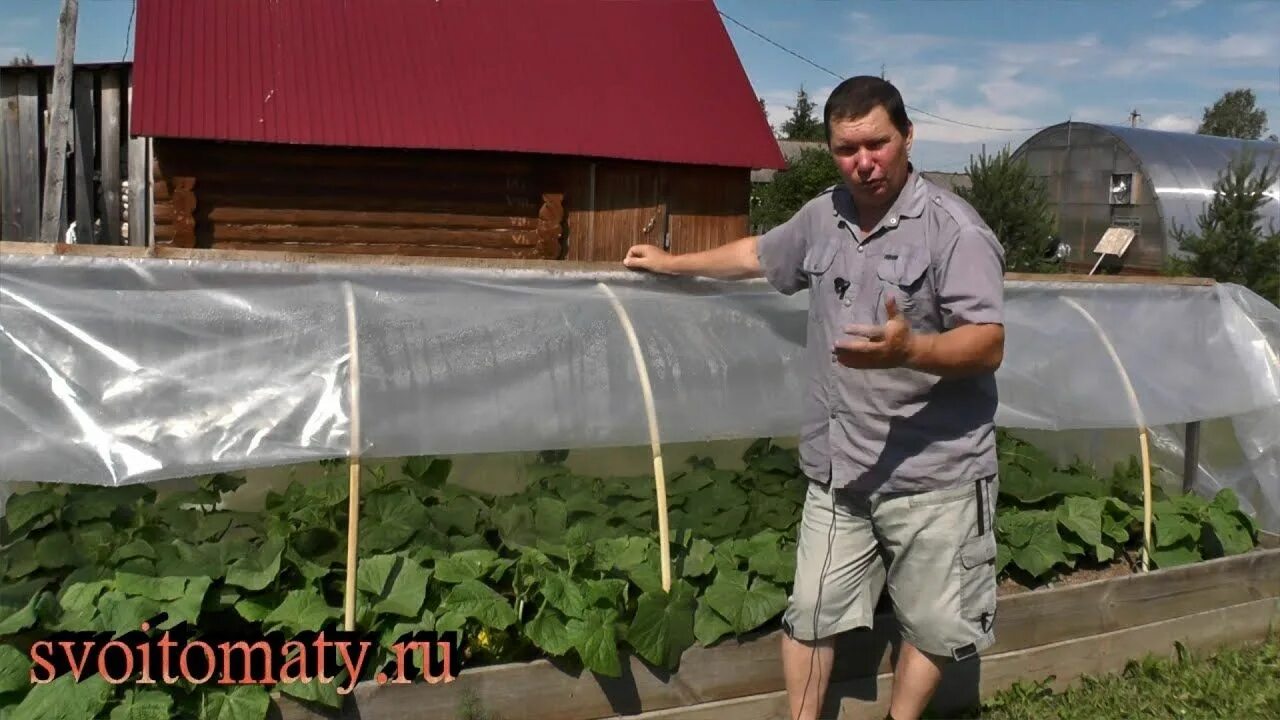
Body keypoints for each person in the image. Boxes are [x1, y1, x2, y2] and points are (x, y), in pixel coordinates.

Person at [623, 76, 1005, 720]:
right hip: (840, 468)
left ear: (908, 137)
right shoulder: (824, 215)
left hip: (934, 473)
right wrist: (670, 263)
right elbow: (757, 253)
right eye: (845, 149)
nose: (863, 162)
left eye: (877, 144)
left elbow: (988, 342)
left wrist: (910, 350)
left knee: (938, 627)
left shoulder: (953, 231)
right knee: (810, 615)